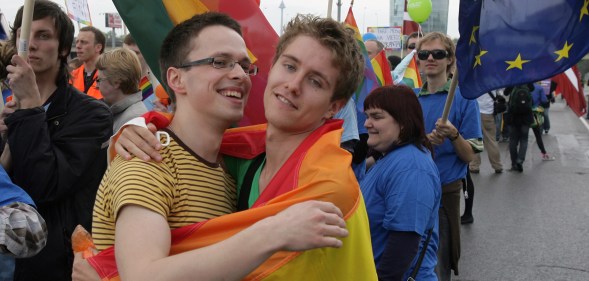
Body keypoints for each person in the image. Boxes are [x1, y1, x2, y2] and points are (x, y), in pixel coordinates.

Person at [75, 13, 375, 281]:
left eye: (316, 82)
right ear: (176, 78)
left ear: (333, 108)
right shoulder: (149, 159)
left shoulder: (308, 183)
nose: (238, 74)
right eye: (220, 62)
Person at [1, 1, 113, 280]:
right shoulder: (9, 106)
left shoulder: (92, 114)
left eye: (44, 36)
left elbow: (43, 186)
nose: (31, 44)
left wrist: (29, 109)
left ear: (64, 48)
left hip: (51, 263)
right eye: (25, 36)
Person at [415, 32, 482, 281]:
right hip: (411, 190)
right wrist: (423, 141)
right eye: (424, 54)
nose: (430, 58)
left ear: (450, 59)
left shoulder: (464, 99)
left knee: (438, 264)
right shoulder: (409, 98)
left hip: (444, 193)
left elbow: (468, 157)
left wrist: (454, 135)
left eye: (438, 54)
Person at [360, 85, 441, 281]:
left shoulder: (411, 168)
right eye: (367, 116)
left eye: (377, 117)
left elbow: (404, 241)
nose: (367, 124)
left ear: (403, 123)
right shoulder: (391, 157)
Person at [95, 48, 148, 132]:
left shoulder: (133, 120)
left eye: (99, 80)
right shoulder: (125, 114)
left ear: (116, 82)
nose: (96, 85)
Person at [123, 34, 161, 111]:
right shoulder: (114, 84)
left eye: (136, 53)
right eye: (125, 52)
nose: (129, 57)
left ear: (147, 55)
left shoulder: (158, 88)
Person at [470, 90, 503, 174]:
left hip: (475, 111)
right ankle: (497, 165)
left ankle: (474, 165)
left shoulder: (475, 79)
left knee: (475, 139)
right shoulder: (492, 79)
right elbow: (501, 94)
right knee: (491, 140)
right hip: (488, 113)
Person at [504, 84, 534, 172]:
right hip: (526, 117)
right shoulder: (527, 80)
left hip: (514, 116)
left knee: (513, 140)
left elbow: (505, 93)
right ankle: (520, 160)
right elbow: (532, 89)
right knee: (524, 139)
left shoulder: (512, 80)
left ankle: (514, 164)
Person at [71, 26, 105, 99]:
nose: (78, 46)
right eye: (77, 41)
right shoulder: (72, 76)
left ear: (98, 47)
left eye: (84, 42)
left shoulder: (110, 76)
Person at [530, 82, 555, 161]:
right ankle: (544, 154)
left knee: (521, 138)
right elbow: (544, 100)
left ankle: (516, 161)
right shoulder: (539, 88)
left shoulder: (519, 85)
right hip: (534, 113)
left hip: (521, 114)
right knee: (538, 135)